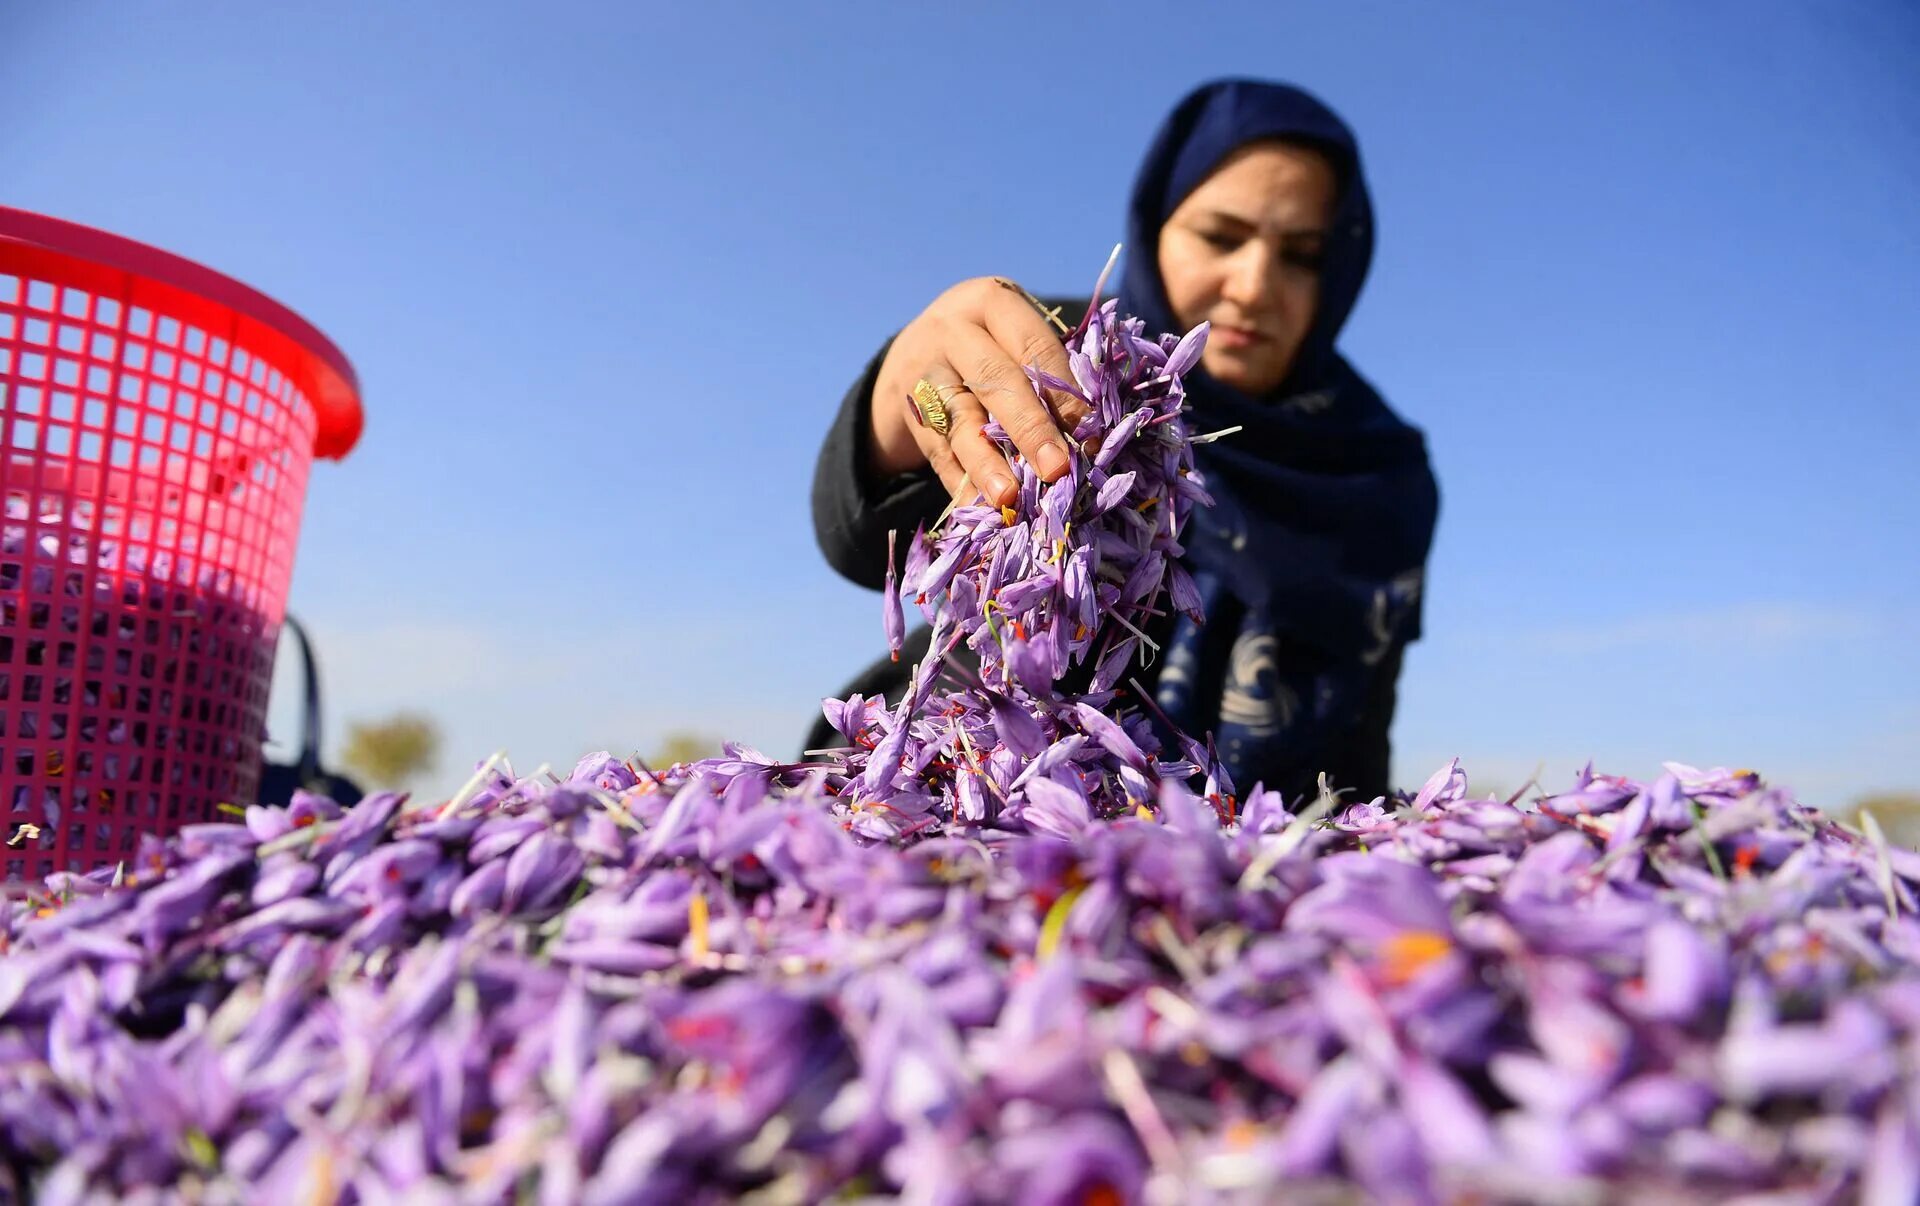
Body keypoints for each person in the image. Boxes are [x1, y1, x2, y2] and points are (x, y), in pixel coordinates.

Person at [808, 78, 1439, 805]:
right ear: (1155, 224)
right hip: (950, 792)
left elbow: (1359, 722)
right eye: (1222, 237)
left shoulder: (1374, 466)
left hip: (1239, 852)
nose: (1256, 284)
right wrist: (903, 391)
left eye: (1301, 254)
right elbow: (860, 542)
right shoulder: (1055, 354)